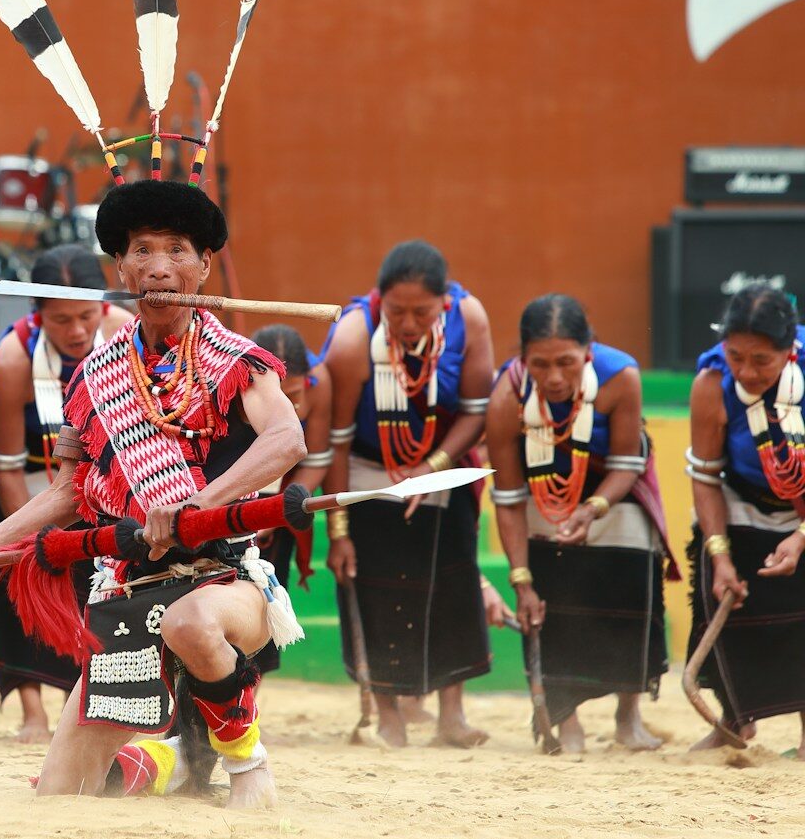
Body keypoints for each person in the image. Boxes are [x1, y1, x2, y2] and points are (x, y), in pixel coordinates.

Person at [0, 179, 307, 809]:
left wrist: (195, 507)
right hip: (126, 595)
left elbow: (286, 441)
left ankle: (247, 763)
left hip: (224, 584)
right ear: (120, 267)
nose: (158, 267)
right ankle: (169, 756)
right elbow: (67, 496)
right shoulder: (96, 375)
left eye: (177, 249)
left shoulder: (239, 361)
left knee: (190, 620)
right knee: (61, 795)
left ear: (204, 266)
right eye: (141, 250)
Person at [322, 240, 498, 748]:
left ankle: (452, 717)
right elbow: (333, 441)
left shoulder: (470, 317)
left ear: (444, 303)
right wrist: (338, 531)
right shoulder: (354, 336)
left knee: (453, 582)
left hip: (442, 466)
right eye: (397, 310)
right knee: (375, 589)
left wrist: (430, 466)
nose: (407, 322)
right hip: (364, 473)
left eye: (422, 311)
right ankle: (389, 718)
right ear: (380, 298)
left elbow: (476, 409)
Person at [487, 294, 670, 753]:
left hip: (614, 496)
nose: (553, 377)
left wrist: (592, 509)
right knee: (551, 603)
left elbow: (628, 463)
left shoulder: (620, 377)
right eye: (540, 364)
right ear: (522, 358)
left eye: (567, 363)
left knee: (630, 593)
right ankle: (565, 721)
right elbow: (508, 500)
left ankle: (629, 718)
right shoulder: (506, 398)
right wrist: (522, 582)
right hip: (539, 503)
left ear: (588, 353)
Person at [0, 244, 131, 740]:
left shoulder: (129, 333)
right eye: (61, 320)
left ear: (103, 307)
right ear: (38, 315)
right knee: (22, 574)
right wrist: (33, 538)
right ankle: (30, 710)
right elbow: (7, 468)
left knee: (92, 583)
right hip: (18, 474)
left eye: (87, 316)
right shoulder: (13, 359)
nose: (78, 331)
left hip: (96, 475)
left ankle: (77, 700)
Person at [686, 284, 805, 754]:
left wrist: (800, 538)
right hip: (740, 502)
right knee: (722, 607)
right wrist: (720, 556)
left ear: (790, 349)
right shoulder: (711, 383)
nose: (745, 371)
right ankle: (735, 719)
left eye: (761, 360)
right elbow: (705, 476)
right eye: (735, 356)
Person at [247, 325, 333, 676]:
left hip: (280, 508)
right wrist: (247, 516)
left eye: (294, 393)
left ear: (307, 380)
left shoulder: (321, 384)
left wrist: (277, 513)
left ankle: (247, 717)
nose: (285, 405)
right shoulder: (229, 379)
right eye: (277, 393)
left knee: (267, 615)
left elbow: (317, 459)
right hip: (230, 509)